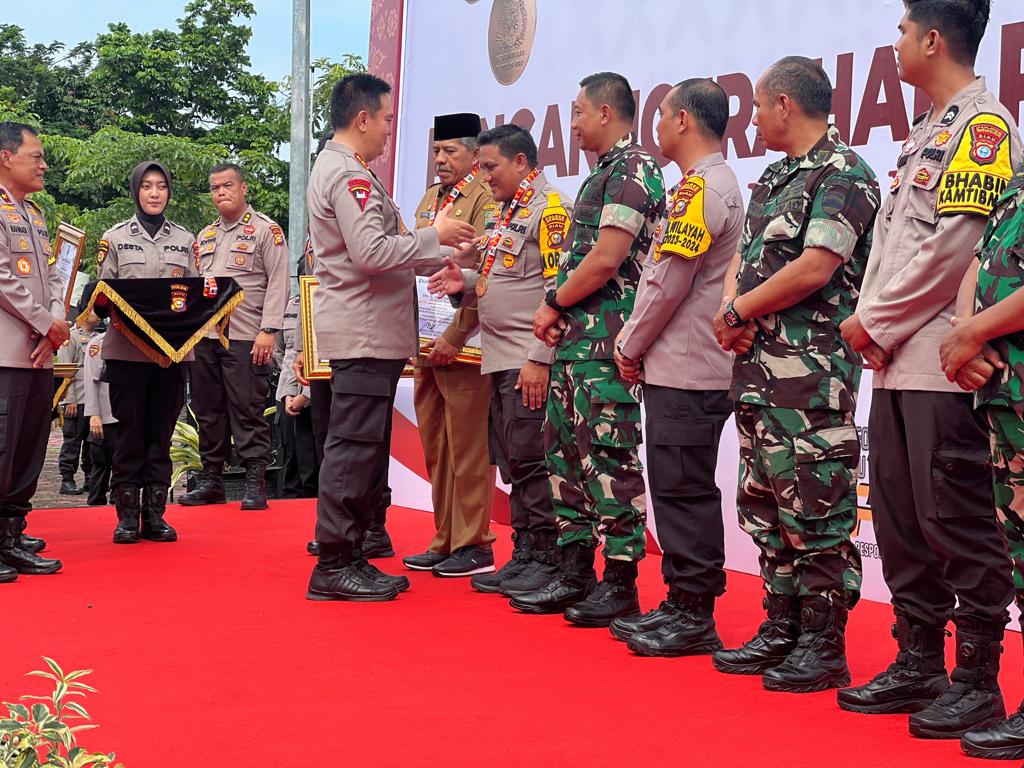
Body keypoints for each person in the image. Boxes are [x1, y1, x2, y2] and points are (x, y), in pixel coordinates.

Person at [838, 0, 1021, 738]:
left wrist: (874, 321)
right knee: (903, 520)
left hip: (942, 361)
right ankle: (919, 662)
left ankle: (976, 681)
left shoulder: (983, 127)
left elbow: (957, 248)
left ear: (933, 39)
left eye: (903, 31)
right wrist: (873, 328)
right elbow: (893, 249)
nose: (898, 43)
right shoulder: (926, 133)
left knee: (957, 521)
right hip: (893, 361)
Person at [710, 57, 880, 692]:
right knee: (764, 506)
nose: (751, 120)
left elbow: (816, 266)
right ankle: (779, 626)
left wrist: (740, 309)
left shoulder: (845, 174)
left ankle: (822, 642)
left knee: (817, 511)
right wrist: (733, 311)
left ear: (785, 105)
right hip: (757, 373)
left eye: (757, 107)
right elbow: (745, 260)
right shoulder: (776, 176)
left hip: (810, 379)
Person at [300, 73, 476, 601]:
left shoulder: (349, 171)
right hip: (363, 332)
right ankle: (334, 562)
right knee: (353, 449)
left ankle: (351, 553)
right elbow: (372, 254)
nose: (388, 131)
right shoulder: (346, 175)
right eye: (387, 120)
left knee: (364, 449)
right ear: (363, 119)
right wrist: (435, 235)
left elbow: (385, 250)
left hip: (369, 331)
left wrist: (445, 253)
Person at [512, 72, 666, 626]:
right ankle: (574, 569)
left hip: (608, 349)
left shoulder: (633, 169)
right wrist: (558, 320)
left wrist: (552, 302)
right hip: (576, 346)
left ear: (606, 112)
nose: (571, 124)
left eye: (578, 113)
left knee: (610, 460)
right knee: (566, 458)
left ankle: (620, 581)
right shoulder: (599, 175)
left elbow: (604, 259)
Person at [610, 78, 745, 656]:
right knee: (679, 488)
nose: (656, 126)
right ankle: (683, 601)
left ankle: (692, 611)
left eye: (662, 116)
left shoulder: (700, 189)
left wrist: (627, 345)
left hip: (687, 368)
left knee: (683, 491)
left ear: (684, 120)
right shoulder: (709, 183)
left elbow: (667, 282)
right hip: (690, 364)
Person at [427, 123, 570, 594]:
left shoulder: (550, 210)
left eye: (490, 167)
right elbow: (499, 277)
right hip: (498, 356)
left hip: (526, 359)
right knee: (513, 462)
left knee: (532, 460)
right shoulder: (505, 212)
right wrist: (463, 282)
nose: (484, 177)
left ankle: (546, 557)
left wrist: (539, 357)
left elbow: (558, 292)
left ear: (522, 163)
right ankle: (526, 552)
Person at [939, 163, 1024, 759]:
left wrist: (971, 336)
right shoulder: (1018, 186)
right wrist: (964, 332)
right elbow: (978, 262)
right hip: (1005, 394)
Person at [403, 112, 499, 578]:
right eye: (436, 152)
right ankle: (444, 537)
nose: (440, 160)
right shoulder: (429, 200)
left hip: (467, 342)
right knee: (436, 446)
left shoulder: (485, 200)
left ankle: (475, 541)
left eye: (450, 152)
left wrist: (456, 334)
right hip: (425, 341)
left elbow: (489, 274)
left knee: (467, 447)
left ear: (475, 155)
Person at [96, 161, 198, 543]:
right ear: (135, 191)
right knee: (129, 435)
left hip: (172, 356)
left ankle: (155, 515)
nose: (155, 193)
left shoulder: (186, 240)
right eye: (147, 187)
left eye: (161, 187)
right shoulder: (116, 237)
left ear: (169, 192)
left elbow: (196, 294)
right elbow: (102, 295)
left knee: (161, 433)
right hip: (127, 353)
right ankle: (125, 517)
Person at [180, 162, 290, 511]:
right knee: (208, 410)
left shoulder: (265, 231)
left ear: (244, 189)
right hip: (207, 336)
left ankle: (254, 481)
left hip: (247, 335)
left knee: (248, 409)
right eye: (214, 188)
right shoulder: (205, 236)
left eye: (227, 185)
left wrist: (269, 330)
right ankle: (211, 479)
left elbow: (278, 281)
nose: (221, 192)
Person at [0, 121, 67, 578]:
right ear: (6, 157)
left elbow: (57, 274)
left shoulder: (35, 214)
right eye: (35, 156)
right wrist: (47, 324)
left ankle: (10, 534)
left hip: (41, 351)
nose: (43, 164)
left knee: (28, 448)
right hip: (7, 353)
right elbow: (4, 280)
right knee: (3, 449)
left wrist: (56, 325)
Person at [56, 322, 93, 495]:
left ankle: (90, 479)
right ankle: (67, 480)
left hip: (91, 400)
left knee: (92, 443)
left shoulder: (96, 337)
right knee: (72, 441)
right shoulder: (70, 337)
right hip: (75, 399)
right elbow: (64, 368)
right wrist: (70, 398)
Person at [82, 323, 117, 507]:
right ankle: (96, 504)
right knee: (101, 464)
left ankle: (120, 504)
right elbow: (91, 380)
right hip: (105, 415)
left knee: (123, 466)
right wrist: (94, 414)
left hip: (126, 415)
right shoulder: (99, 343)